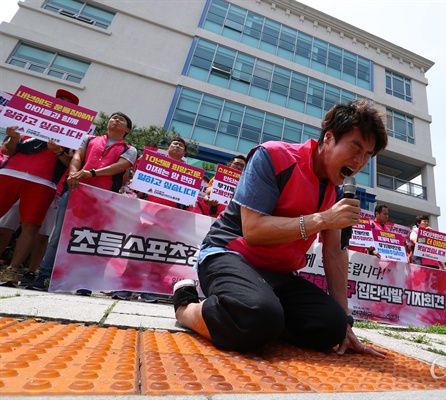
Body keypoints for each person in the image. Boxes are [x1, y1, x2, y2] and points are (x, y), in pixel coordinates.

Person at [173, 99, 388, 356]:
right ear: (329, 138)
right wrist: (322, 219)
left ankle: (262, 319)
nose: (360, 161)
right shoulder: (273, 156)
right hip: (230, 254)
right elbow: (253, 231)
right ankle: (186, 306)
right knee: (257, 316)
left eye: (367, 155)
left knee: (332, 327)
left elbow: (335, 252)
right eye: (356, 147)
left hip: (280, 274)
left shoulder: (338, 192)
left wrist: (346, 323)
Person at [27, 112, 137, 293]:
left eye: (121, 120)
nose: (115, 120)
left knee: (92, 239)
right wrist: (73, 173)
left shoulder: (129, 149)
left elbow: (120, 166)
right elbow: (77, 157)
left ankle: (85, 283)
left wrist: (91, 173)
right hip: (76, 191)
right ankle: (44, 276)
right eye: (113, 118)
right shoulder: (89, 138)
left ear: (127, 130)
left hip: (103, 198)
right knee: (59, 235)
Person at [0, 89, 77, 286]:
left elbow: (72, 162)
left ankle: (12, 271)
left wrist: (58, 151)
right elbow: (8, 149)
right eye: (59, 100)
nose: (62, 104)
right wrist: (14, 138)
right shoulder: (28, 122)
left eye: (67, 103)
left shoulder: (73, 135)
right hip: (10, 174)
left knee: (31, 227)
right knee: (5, 226)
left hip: (43, 182)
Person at [112, 137, 189, 302]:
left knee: (161, 257)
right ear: (168, 148)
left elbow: (189, 203)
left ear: (184, 153)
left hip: (171, 223)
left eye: (181, 145)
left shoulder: (190, 174)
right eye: (174, 143)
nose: (177, 146)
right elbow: (138, 190)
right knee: (137, 253)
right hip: (147, 218)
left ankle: (149, 290)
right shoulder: (154, 165)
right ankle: (125, 287)